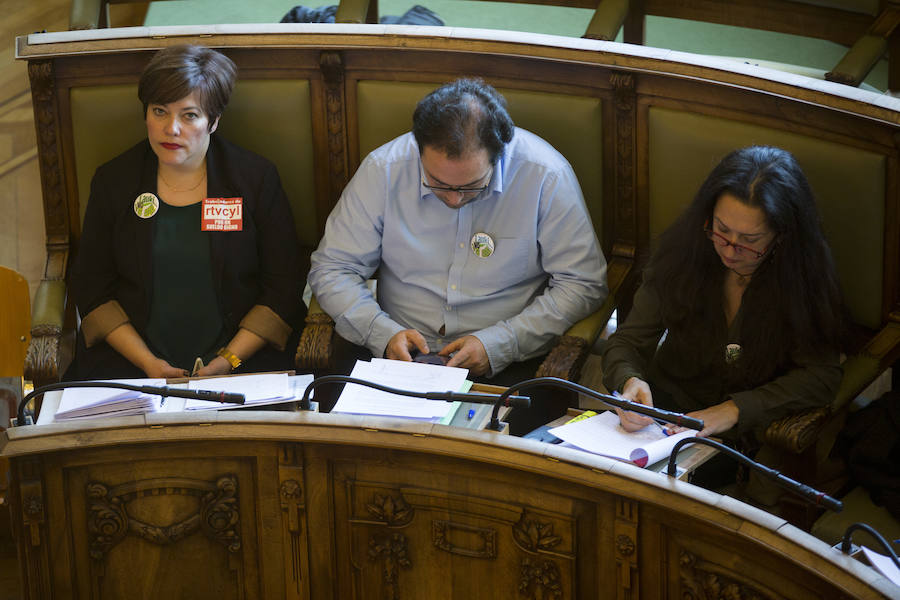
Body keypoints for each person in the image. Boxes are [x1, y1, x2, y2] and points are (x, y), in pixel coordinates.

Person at [309, 78, 608, 433]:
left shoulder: (544, 175)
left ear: (499, 152)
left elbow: (583, 283)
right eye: (436, 183)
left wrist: (501, 343)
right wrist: (381, 332)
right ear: (418, 147)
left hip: (509, 362)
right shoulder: (384, 169)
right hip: (395, 357)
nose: (453, 199)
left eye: (470, 186)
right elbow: (332, 269)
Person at [69, 45, 303, 380]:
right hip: (132, 364)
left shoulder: (255, 179)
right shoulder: (114, 181)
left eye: (189, 115)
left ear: (214, 121)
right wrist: (148, 365)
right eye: (160, 111)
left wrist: (227, 362)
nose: (171, 129)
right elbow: (92, 287)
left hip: (244, 362)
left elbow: (283, 287)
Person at [602, 146, 844, 448]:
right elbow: (627, 342)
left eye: (750, 241)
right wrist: (629, 381)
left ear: (782, 235)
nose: (729, 251)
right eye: (721, 230)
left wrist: (735, 409)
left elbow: (821, 376)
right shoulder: (681, 254)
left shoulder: (804, 275)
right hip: (664, 415)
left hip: (750, 433)